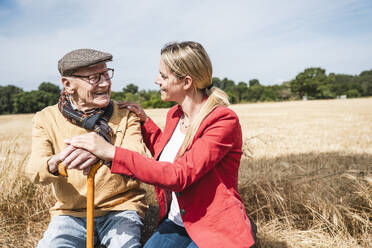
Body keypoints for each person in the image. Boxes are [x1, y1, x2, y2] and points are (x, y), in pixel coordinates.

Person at [66, 42, 257, 248]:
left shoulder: (222, 120)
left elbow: (178, 175)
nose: (157, 81)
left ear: (186, 82)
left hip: (215, 225)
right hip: (177, 222)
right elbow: (168, 154)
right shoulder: (175, 114)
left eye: (163, 76)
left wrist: (111, 152)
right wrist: (145, 123)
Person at [25, 48, 150, 248]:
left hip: (121, 208)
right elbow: (34, 170)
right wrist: (58, 162)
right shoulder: (45, 118)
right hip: (70, 214)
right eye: (94, 77)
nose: (106, 83)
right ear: (68, 84)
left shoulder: (125, 114)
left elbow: (139, 159)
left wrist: (103, 152)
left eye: (107, 74)